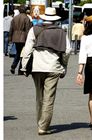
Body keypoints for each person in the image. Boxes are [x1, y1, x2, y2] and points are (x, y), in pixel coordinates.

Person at [21, 7, 71, 135]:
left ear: (44, 18)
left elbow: (27, 49)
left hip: (37, 67)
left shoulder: (34, 30)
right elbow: (67, 51)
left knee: (39, 97)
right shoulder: (61, 32)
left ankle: (40, 122)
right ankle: (43, 127)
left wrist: (24, 66)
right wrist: (64, 65)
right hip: (54, 68)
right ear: (54, 20)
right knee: (49, 98)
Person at [9, 5, 32, 75]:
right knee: (23, 53)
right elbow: (28, 29)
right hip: (23, 38)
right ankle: (20, 69)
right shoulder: (26, 18)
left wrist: (10, 38)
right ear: (25, 10)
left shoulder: (15, 18)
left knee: (18, 52)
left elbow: (11, 29)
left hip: (15, 37)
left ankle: (14, 66)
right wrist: (29, 39)